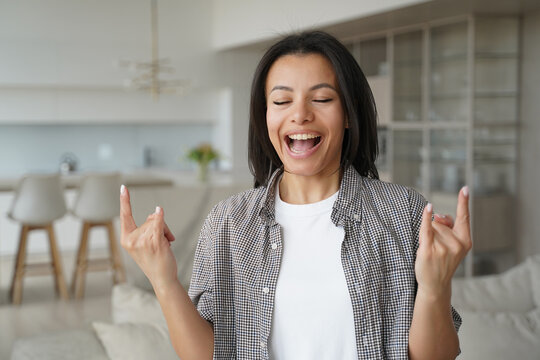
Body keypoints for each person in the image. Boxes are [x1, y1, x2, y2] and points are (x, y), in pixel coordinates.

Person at [119, 31, 471, 360]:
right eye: (282, 100)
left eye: (320, 98)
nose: (300, 114)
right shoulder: (227, 222)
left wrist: (434, 288)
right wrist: (163, 280)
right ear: (266, 116)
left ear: (348, 113)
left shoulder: (403, 211)